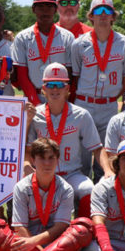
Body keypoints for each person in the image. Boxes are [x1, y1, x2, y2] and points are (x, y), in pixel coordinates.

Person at [0, 137, 92, 251]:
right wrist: (37, 248)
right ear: (33, 160)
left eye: (51, 158)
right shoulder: (21, 187)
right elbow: (20, 228)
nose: (47, 163)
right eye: (42, 158)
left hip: (55, 244)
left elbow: (60, 227)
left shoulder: (65, 189)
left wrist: (34, 243)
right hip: (28, 244)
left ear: (57, 160)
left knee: (83, 228)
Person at [26, 63, 103, 218]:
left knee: (88, 188)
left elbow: (97, 148)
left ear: (67, 89)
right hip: (42, 172)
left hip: (71, 174)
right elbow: (27, 150)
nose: (55, 89)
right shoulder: (35, 114)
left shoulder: (81, 114)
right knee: (22, 187)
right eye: (51, 85)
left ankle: (83, 228)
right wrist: (26, 165)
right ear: (43, 89)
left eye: (60, 85)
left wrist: (107, 171)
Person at [71, 0, 125, 176]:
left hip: (109, 106)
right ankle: (80, 201)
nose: (103, 15)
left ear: (113, 16)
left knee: (105, 160)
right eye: (99, 11)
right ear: (91, 16)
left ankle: (102, 199)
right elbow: (75, 78)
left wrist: (114, 99)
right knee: (81, 161)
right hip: (83, 105)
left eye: (108, 11)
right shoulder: (79, 44)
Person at [12, 0, 75, 106]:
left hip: (60, 98)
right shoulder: (22, 37)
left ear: (55, 9)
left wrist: (63, 102)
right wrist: (35, 103)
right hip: (33, 98)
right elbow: (22, 76)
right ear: (33, 9)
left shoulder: (67, 37)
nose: (45, 11)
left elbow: (71, 75)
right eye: (40, 7)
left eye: (49, 7)